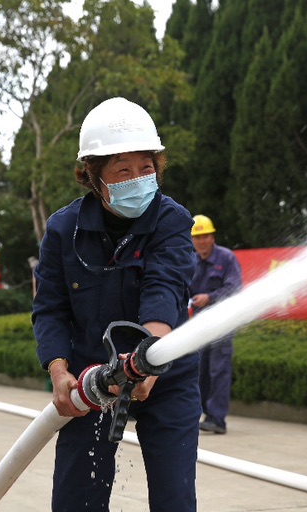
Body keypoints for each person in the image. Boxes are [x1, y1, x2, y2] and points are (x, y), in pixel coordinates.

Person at [32, 97, 201, 511]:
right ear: (93, 177)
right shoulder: (63, 230)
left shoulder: (172, 220)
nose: (137, 178)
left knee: (174, 496)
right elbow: (50, 307)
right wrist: (59, 371)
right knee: (77, 497)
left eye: (146, 168)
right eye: (122, 170)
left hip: (166, 373)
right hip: (91, 376)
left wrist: (150, 358)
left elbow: (165, 287)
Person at [189, 214, 243, 435]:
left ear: (213, 237)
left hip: (222, 324)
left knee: (218, 370)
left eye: (205, 236)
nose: (202, 241)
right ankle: (197, 414)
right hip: (200, 325)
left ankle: (217, 419)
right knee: (199, 369)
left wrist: (210, 297)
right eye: (197, 237)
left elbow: (234, 288)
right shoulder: (190, 260)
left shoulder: (226, 258)